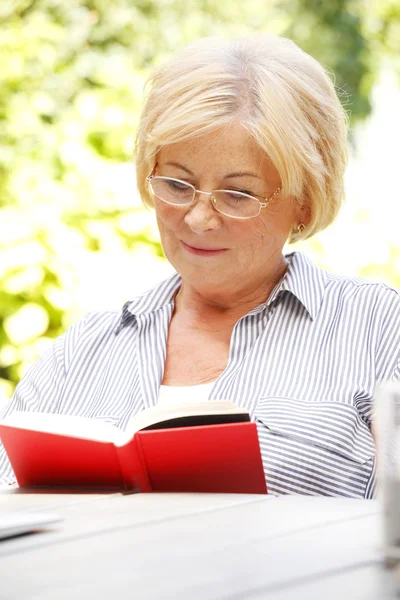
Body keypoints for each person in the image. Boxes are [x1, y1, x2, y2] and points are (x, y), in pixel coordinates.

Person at [1, 34, 399, 496]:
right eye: (176, 184)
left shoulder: (379, 331)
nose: (198, 218)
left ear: (305, 205)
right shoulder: (79, 353)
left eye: (238, 194)